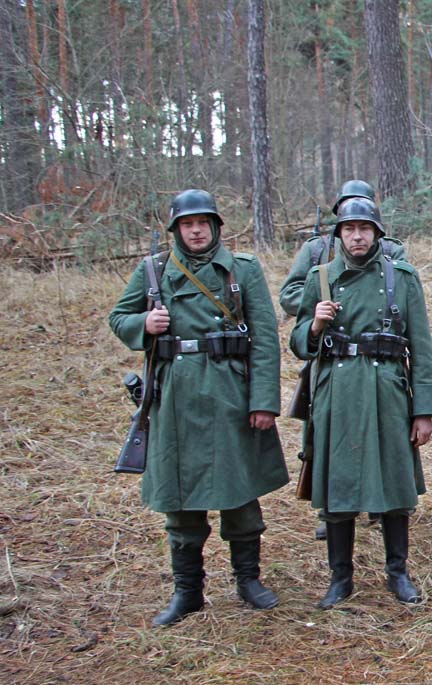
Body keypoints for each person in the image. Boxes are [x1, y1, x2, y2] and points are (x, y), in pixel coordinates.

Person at [109, 189, 288, 626]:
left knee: (239, 489)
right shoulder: (154, 270)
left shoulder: (242, 269)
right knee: (179, 494)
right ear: (176, 230)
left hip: (230, 393)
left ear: (215, 227)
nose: (195, 231)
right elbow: (119, 317)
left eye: (202, 223)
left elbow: (265, 339)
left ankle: (248, 580)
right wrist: (144, 324)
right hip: (175, 397)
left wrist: (264, 401)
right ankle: (187, 592)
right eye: (187, 225)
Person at [289, 198, 432, 607]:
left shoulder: (402, 277)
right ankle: (340, 578)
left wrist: (424, 411)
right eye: (350, 229)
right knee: (337, 486)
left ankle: (398, 572)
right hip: (336, 393)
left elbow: (421, 349)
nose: (357, 236)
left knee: (394, 483)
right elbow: (298, 343)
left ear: (377, 234)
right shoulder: (320, 277)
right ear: (339, 234)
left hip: (388, 391)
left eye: (365, 229)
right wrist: (315, 325)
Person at [279, 179, 404, 540]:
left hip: (378, 354)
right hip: (331, 351)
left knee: (382, 432)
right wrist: (318, 303)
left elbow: (397, 295)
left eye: (365, 221)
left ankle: (378, 498)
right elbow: (290, 293)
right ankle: (331, 502)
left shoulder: (392, 250)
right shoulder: (316, 250)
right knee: (323, 435)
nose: (357, 234)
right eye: (348, 223)